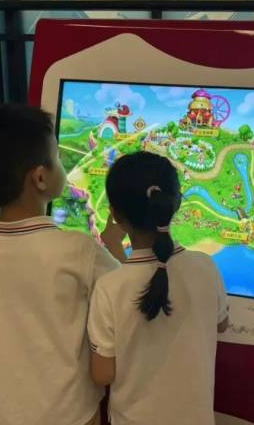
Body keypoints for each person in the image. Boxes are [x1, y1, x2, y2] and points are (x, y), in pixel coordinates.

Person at [0, 104, 124, 425]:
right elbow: (126, 291)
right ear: (41, 177)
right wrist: (115, 245)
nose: (62, 164)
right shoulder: (78, 249)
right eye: (58, 157)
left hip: (2, 414)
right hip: (70, 415)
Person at [87, 151, 229, 425]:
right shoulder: (205, 267)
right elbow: (221, 324)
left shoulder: (109, 287)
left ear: (115, 214)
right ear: (176, 203)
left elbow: (103, 374)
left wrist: (114, 248)